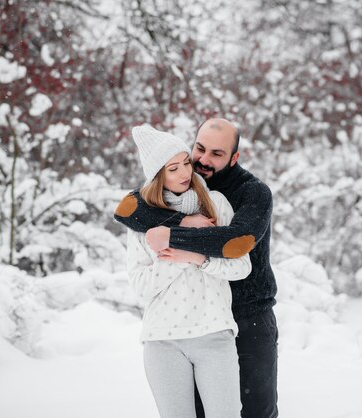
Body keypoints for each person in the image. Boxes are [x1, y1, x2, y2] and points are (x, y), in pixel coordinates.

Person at [115, 118, 279, 418]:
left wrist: (173, 239)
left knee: (258, 411)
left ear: (234, 157)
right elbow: (127, 209)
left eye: (216, 154)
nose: (202, 160)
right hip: (186, 320)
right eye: (199, 149)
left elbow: (236, 242)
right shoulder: (170, 188)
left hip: (248, 315)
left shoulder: (251, 193)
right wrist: (181, 221)